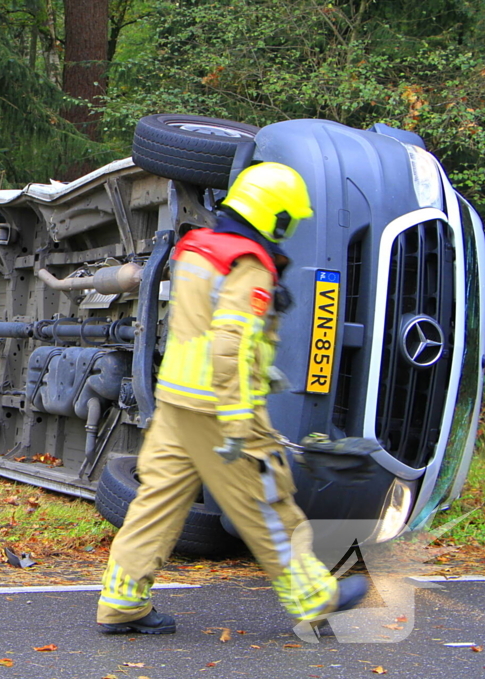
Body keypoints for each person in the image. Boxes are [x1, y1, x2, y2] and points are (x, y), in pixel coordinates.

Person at [96, 162, 368, 635]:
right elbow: (230, 343)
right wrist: (241, 417)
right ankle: (314, 595)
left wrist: (267, 371)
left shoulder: (199, 249)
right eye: (288, 219)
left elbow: (199, 329)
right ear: (274, 215)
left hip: (178, 400)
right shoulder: (247, 265)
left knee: (156, 502)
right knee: (267, 500)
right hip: (221, 408)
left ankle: (122, 601)